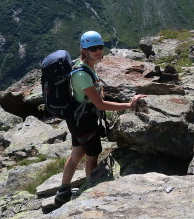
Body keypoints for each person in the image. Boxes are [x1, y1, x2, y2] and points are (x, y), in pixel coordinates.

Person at [54, 30, 146, 205]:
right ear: (84, 50)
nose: (98, 51)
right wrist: (129, 105)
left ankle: (62, 192)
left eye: (100, 47)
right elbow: (101, 105)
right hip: (85, 122)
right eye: (93, 48)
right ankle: (91, 192)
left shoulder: (81, 66)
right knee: (92, 156)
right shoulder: (82, 74)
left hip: (77, 119)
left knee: (77, 154)